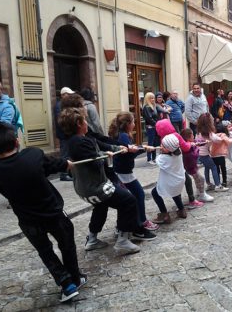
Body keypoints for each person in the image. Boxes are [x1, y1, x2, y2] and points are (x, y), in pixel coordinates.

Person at [0, 122, 86, 302]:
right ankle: (75, 278)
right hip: (53, 213)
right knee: (67, 245)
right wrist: (66, 164)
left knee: (46, 251)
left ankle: (66, 283)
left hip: (28, 220)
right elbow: (55, 165)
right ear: (17, 142)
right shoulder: (33, 154)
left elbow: (5, 190)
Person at [58, 107, 156, 253]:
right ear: (79, 123)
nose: (87, 123)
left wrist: (121, 148)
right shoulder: (80, 142)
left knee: (101, 206)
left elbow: (103, 145)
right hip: (95, 186)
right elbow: (96, 161)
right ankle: (123, 240)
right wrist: (105, 154)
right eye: (85, 120)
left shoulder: (78, 140)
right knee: (129, 200)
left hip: (86, 187)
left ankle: (92, 239)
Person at [108, 112, 159, 231]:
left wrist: (143, 147)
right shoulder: (123, 136)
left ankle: (124, 225)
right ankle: (141, 221)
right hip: (123, 172)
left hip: (123, 171)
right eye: (133, 122)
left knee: (131, 197)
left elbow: (132, 148)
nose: (135, 124)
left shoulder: (122, 135)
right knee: (138, 195)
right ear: (127, 124)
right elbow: (131, 151)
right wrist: (145, 148)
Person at [152, 134, 187, 224]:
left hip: (170, 182)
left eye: (163, 146)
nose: (161, 146)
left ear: (169, 149)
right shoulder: (178, 152)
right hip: (179, 180)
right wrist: (163, 149)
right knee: (175, 193)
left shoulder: (165, 158)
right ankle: (182, 210)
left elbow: (157, 160)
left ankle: (164, 214)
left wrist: (156, 151)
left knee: (155, 193)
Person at [196, 113, 229, 192]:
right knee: (213, 167)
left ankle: (209, 184)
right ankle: (218, 185)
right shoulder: (209, 133)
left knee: (207, 167)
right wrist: (222, 137)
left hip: (199, 154)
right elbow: (217, 140)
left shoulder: (198, 132)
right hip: (205, 154)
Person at [180, 128, 214, 203]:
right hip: (189, 166)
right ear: (188, 137)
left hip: (193, 165)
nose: (194, 136)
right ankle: (202, 195)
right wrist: (195, 147)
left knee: (198, 179)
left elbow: (198, 142)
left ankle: (199, 192)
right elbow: (193, 155)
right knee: (200, 179)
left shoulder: (193, 142)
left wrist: (204, 142)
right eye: (192, 135)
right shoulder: (186, 146)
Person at [54, 87, 75, 181]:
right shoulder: (59, 105)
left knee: (67, 153)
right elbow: (61, 121)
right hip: (64, 134)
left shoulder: (62, 104)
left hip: (67, 133)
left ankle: (68, 172)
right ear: (63, 95)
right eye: (68, 94)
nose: (70, 96)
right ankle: (63, 174)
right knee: (65, 154)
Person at [210, 123, 232, 187]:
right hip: (221, 154)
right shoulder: (222, 135)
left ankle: (218, 181)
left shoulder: (213, 135)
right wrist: (231, 139)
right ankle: (224, 181)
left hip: (213, 154)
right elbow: (229, 141)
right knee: (223, 168)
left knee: (216, 169)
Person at [142, 92, 160, 164]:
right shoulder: (146, 107)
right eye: (151, 98)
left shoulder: (153, 106)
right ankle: (149, 159)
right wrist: (157, 124)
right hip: (150, 127)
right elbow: (149, 118)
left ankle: (154, 158)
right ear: (148, 99)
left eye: (153, 98)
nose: (153, 99)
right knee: (150, 143)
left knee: (155, 143)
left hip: (154, 126)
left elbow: (156, 116)